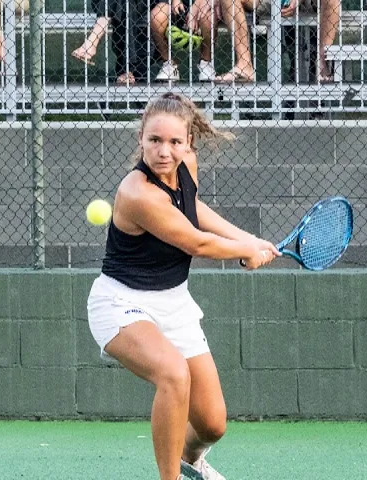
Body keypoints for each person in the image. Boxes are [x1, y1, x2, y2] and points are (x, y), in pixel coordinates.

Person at [86, 91, 279, 480]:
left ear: (189, 142)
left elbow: (195, 211)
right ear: (141, 138)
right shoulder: (137, 192)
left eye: (175, 142)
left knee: (212, 424)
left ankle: (191, 460)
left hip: (173, 303)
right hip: (121, 304)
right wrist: (244, 249)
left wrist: (250, 241)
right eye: (154, 140)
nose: (164, 151)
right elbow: (196, 242)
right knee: (173, 375)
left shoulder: (186, 165)